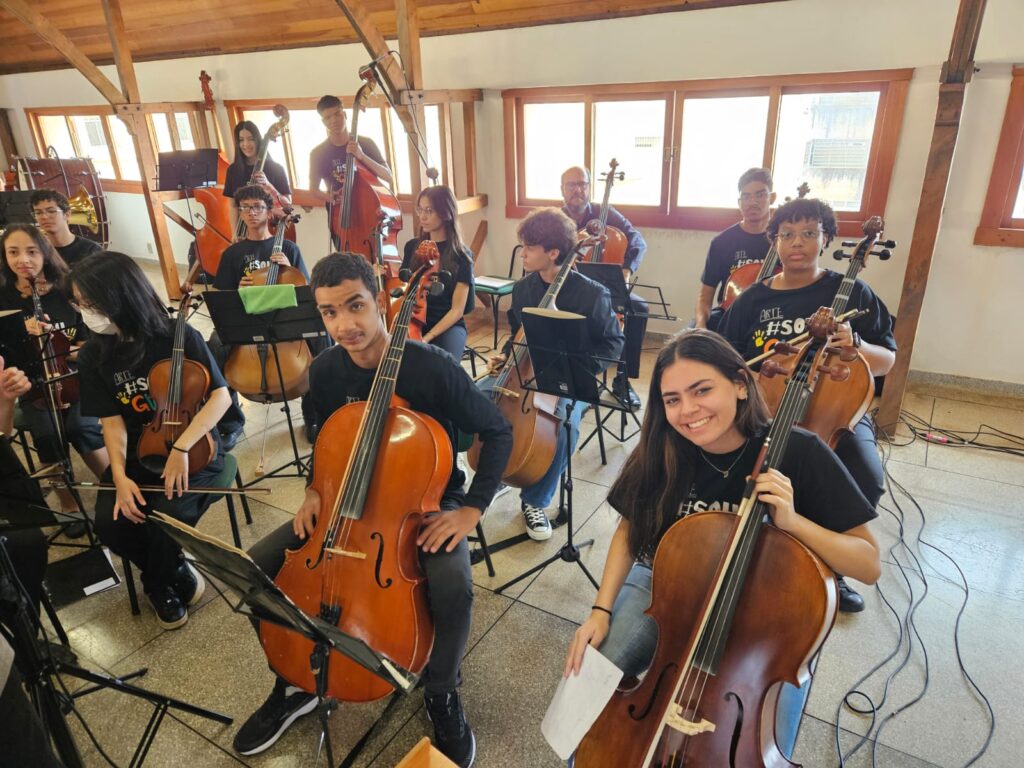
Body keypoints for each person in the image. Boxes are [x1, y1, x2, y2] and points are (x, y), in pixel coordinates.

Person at [233, 253, 512, 767]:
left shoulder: (433, 368)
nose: (345, 324)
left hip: (425, 501)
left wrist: (472, 508)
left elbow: (497, 431)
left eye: (355, 306)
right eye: (330, 313)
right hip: (341, 499)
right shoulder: (323, 371)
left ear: (381, 303)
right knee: (254, 570)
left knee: (454, 585)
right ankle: (296, 683)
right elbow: (320, 435)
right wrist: (315, 490)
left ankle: (442, 692)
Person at [563, 330, 880, 760]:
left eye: (701, 390)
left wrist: (794, 522)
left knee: (763, 747)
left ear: (739, 383)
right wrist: (600, 611)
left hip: (765, 617)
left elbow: (867, 564)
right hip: (666, 585)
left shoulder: (799, 451)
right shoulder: (664, 446)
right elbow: (628, 527)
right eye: (672, 399)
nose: (686, 411)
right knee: (581, 700)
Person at [718, 196, 896, 613]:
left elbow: (887, 360)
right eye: (787, 235)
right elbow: (727, 361)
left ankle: (833, 565)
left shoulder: (849, 291)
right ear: (774, 242)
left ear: (827, 239)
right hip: (766, 408)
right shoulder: (751, 301)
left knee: (864, 478)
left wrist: (857, 345)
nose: (797, 243)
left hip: (836, 410)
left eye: (809, 233)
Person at [71, 252, 232, 630]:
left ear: (120, 296)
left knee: (167, 517)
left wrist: (180, 448)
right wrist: (120, 478)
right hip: (135, 453)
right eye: (80, 305)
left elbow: (220, 397)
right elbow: (112, 423)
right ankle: (174, 569)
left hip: (194, 446)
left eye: (90, 304)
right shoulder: (93, 354)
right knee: (109, 524)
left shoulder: (176, 335)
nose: (85, 314)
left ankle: (157, 583)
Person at [483, 207, 623, 541]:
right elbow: (519, 332)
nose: (523, 253)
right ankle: (495, 474)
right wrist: (503, 357)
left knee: (564, 429)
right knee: (478, 398)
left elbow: (613, 343)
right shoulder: (524, 289)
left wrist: (577, 370)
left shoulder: (591, 294)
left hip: (568, 380)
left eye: (529, 247)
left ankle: (535, 501)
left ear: (554, 252)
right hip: (523, 372)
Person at [0, 224, 109, 537]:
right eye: (13, 252)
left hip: (73, 374)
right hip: (31, 383)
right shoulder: (3, 298)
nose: (24, 260)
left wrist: (60, 340)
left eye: (32, 251)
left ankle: (114, 484)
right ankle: (68, 502)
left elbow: (87, 333)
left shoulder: (67, 288)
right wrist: (24, 337)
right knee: (47, 436)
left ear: (45, 253)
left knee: (81, 428)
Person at [205, 184, 322, 444]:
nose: (251, 212)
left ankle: (313, 415)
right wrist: (237, 289)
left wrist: (289, 268)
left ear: (269, 212)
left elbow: (305, 289)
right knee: (213, 346)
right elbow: (222, 299)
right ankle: (231, 421)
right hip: (248, 318)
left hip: (285, 316)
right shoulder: (233, 254)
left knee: (322, 340)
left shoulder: (288, 249)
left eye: (257, 207)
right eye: (245, 207)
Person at [560, 166, 647, 410]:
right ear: (562, 190)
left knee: (638, 308)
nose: (577, 189)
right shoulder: (556, 218)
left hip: (605, 290)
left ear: (589, 186)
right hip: (569, 290)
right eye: (571, 185)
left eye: (582, 184)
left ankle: (623, 379)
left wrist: (627, 269)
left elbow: (638, 240)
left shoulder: (605, 213)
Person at [694, 167, 776, 332]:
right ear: (739, 202)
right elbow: (705, 297)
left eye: (760, 195)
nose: (752, 202)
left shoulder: (783, 240)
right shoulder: (722, 242)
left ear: (772, 198)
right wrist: (700, 325)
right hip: (729, 315)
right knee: (687, 345)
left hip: (772, 319)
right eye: (746, 196)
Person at [401, 185, 475, 361]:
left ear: (445, 213)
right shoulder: (412, 247)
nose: (423, 216)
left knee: (443, 366)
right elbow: (403, 290)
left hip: (448, 325)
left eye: (430, 210)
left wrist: (427, 337)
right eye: (420, 209)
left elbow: (457, 311)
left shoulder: (461, 256)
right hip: (412, 321)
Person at [308, 95, 393, 248]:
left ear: (345, 114)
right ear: (323, 122)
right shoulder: (318, 153)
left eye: (337, 114)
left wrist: (362, 156)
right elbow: (313, 189)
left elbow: (388, 176)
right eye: (328, 117)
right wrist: (330, 197)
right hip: (340, 214)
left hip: (369, 211)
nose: (333, 120)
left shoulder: (366, 143)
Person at [223, 120, 292, 223]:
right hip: (244, 228)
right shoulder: (233, 170)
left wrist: (268, 185)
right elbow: (233, 206)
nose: (246, 144)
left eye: (251, 139)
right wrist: (235, 234)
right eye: (241, 140)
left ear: (258, 140)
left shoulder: (277, 169)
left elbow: (288, 205)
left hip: (271, 226)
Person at [29, 189, 102, 267]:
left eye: (51, 211)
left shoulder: (92, 250)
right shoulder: (35, 251)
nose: (44, 217)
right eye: (38, 213)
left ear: (67, 214)